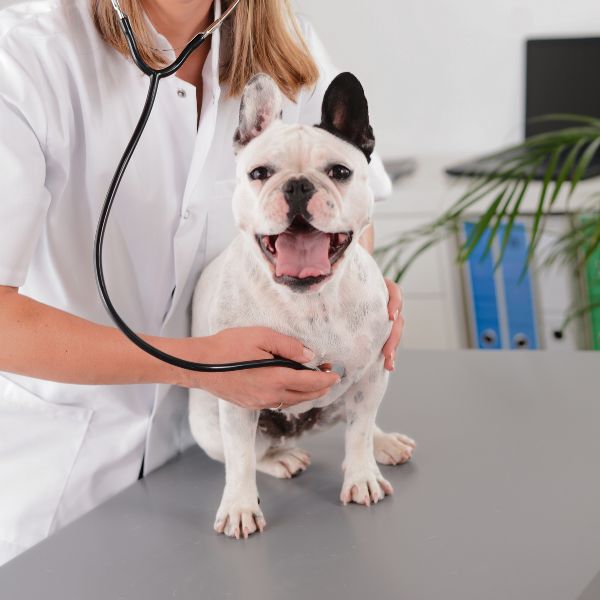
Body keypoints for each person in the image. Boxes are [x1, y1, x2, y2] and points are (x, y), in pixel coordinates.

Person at [0, 0, 404, 564]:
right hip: (64, 483)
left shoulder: (290, 43)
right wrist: (201, 367)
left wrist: (352, 286)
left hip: (227, 460)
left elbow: (346, 203)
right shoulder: (24, 52)